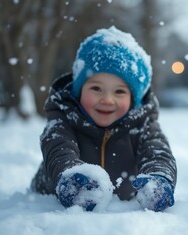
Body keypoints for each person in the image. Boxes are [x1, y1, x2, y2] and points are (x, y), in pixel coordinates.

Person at [30, 26, 177, 212]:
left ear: (133, 99)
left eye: (119, 91)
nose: (107, 99)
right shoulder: (65, 117)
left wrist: (158, 177)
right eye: (96, 88)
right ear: (79, 90)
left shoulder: (142, 125)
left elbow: (157, 151)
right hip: (47, 205)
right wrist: (70, 175)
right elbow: (58, 148)